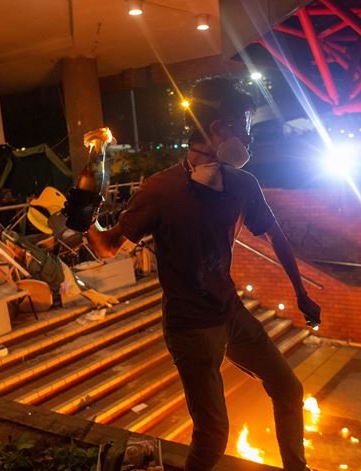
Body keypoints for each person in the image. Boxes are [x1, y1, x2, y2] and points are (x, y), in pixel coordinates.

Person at [86, 78, 321, 470]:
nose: (248, 137)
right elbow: (109, 247)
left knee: (288, 389)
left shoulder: (243, 183)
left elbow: (276, 235)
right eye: (244, 125)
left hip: (230, 313)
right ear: (218, 128)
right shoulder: (160, 190)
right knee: (212, 434)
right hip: (190, 327)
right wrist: (85, 220)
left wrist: (301, 292)